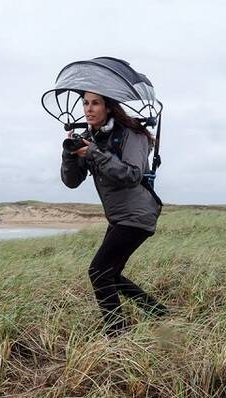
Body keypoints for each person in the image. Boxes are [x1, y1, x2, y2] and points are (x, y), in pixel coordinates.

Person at [61, 91, 168, 337]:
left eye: (95, 103)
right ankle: (159, 314)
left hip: (138, 214)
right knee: (111, 274)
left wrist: (95, 153)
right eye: (85, 103)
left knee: (98, 272)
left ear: (108, 107)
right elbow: (72, 181)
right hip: (120, 217)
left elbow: (132, 175)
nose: (88, 109)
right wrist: (69, 155)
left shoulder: (133, 135)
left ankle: (118, 338)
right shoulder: (90, 138)